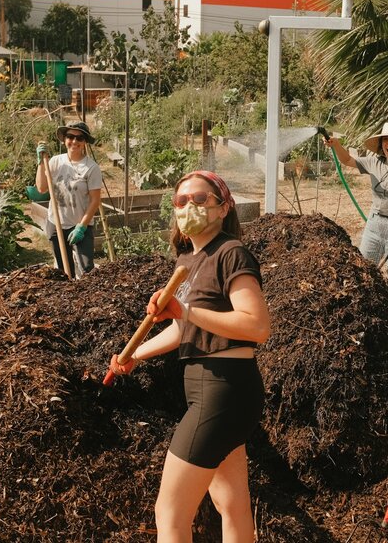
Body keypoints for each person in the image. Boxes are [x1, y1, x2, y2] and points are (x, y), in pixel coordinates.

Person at [108, 170, 270, 543]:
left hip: (222, 390)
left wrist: (185, 311)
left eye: (200, 200)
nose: (189, 207)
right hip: (218, 392)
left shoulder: (231, 252)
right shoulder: (190, 260)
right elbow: (186, 329)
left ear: (222, 207)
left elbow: (257, 325)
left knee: (170, 512)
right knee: (231, 503)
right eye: (181, 201)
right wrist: (135, 355)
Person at [324, 120, 388, 296]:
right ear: (381, 144)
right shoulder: (374, 162)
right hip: (374, 225)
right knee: (363, 271)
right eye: (385, 139)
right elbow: (348, 160)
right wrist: (336, 145)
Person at [35, 121, 102, 278]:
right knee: (64, 272)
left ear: (85, 142)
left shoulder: (91, 168)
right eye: (70, 137)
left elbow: (95, 201)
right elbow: (41, 188)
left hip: (80, 225)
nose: (74, 141)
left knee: (87, 270)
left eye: (79, 138)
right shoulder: (55, 162)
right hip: (56, 223)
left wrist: (82, 227)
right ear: (64, 139)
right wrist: (40, 163)